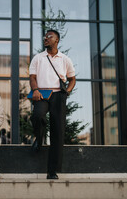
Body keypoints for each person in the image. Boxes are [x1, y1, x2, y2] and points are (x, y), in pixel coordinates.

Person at [29, 29, 76, 180]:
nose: (46, 38)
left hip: (58, 95)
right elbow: (32, 77)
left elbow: (72, 79)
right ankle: (39, 137)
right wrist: (35, 90)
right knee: (37, 116)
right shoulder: (38, 58)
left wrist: (66, 92)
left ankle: (52, 171)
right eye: (45, 36)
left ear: (57, 40)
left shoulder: (65, 59)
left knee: (58, 131)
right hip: (42, 93)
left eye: (49, 36)